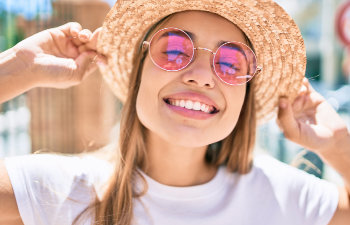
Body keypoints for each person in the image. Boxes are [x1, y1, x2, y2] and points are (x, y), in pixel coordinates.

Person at [0, 0, 350, 224]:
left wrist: (338, 145)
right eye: (173, 50)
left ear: (246, 92)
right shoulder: (59, 193)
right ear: (139, 71)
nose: (200, 75)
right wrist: (17, 69)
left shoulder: (280, 196)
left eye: (229, 62)